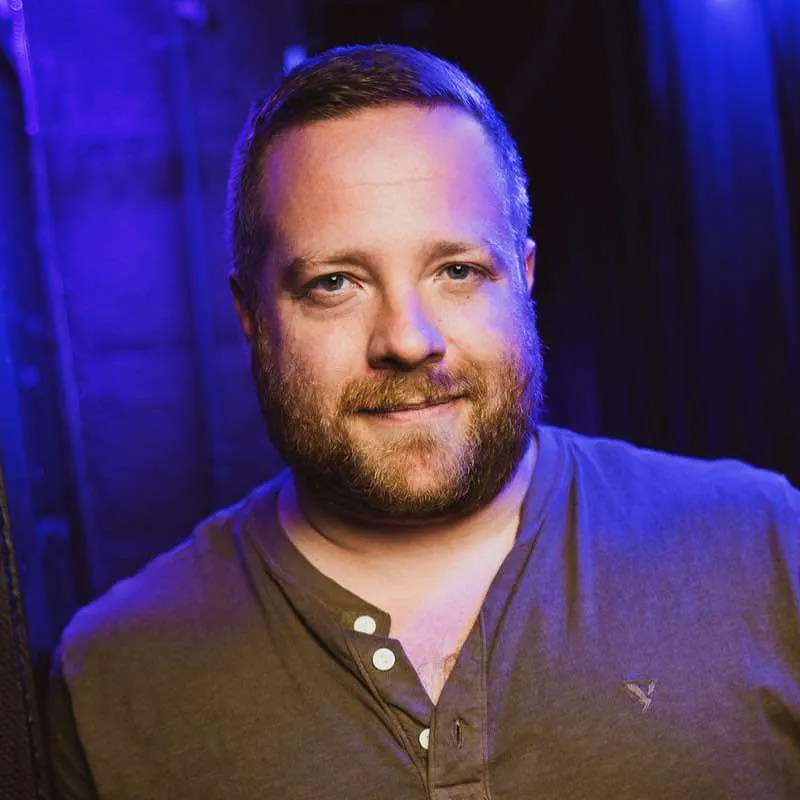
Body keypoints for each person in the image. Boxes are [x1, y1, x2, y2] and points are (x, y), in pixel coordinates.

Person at [47, 44, 800, 800]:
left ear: (524, 280)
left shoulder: (767, 551)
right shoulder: (114, 678)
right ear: (251, 318)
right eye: (334, 283)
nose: (407, 339)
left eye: (458, 271)